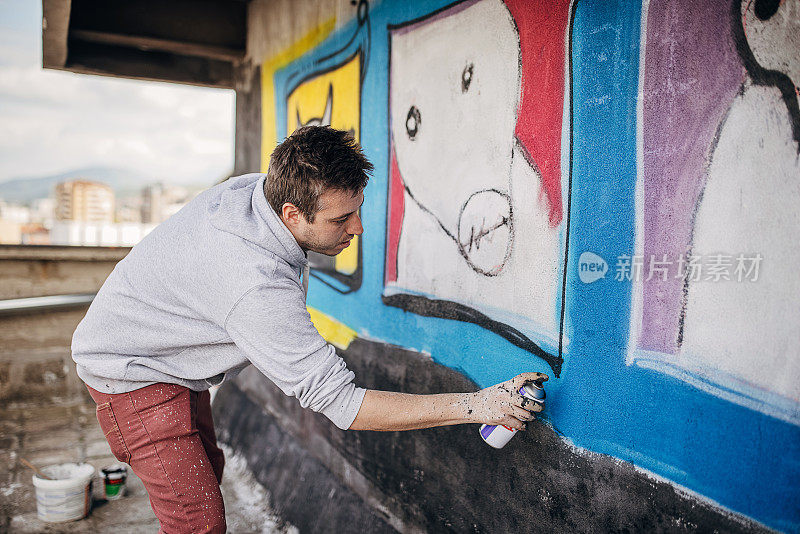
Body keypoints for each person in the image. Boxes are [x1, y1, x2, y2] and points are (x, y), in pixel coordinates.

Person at [71, 126, 548, 533]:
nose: (357, 227)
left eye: (357, 209)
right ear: (292, 216)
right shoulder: (253, 282)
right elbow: (343, 405)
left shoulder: (261, 192)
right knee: (196, 519)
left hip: (164, 357)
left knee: (206, 472)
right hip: (132, 378)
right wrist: (477, 405)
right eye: (342, 218)